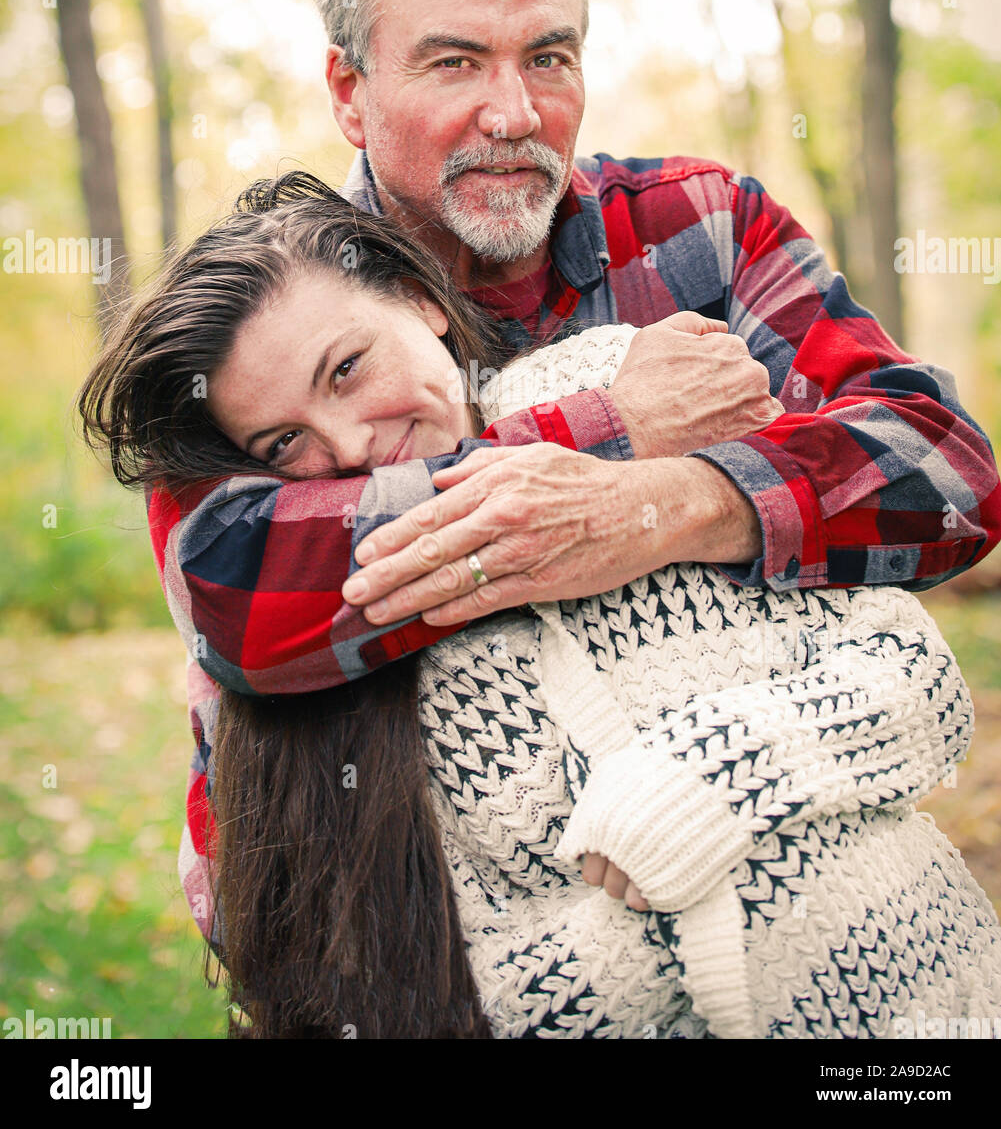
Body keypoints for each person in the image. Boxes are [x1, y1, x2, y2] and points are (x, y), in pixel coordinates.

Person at [79, 177, 1001, 1039]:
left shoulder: (641, 377)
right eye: (285, 441)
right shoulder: (337, 629)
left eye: (348, 368)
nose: (353, 445)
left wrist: (724, 773)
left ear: (418, 298)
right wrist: (673, 919)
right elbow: (426, 979)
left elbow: (913, 657)